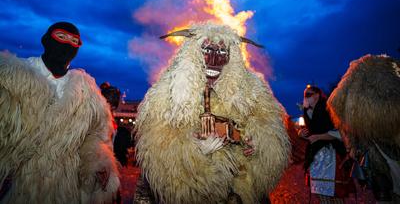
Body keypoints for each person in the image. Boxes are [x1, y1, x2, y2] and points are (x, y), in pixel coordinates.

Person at [134, 22, 290, 204]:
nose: (214, 60)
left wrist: (255, 146)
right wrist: (194, 152)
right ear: (193, 53)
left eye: (222, 52)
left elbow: (268, 130)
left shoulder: (251, 90)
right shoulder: (168, 90)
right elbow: (158, 146)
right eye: (207, 50)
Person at [0, 22, 120, 203]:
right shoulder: (11, 78)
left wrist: (98, 161)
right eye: (61, 37)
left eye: (74, 41)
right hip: (16, 184)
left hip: (66, 188)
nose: (68, 44)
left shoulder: (86, 91)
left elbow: (97, 133)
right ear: (47, 40)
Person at [328, 54, 400, 203]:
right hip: (378, 157)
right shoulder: (360, 116)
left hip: (387, 152)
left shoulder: (382, 105)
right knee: (384, 188)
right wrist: (352, 147)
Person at [298, 85, 354, 203]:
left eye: (309, 94)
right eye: (305, 95)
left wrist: (318, 137)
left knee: (335, 191)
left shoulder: (328, 108)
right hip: (315, 156)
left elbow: (339, 132)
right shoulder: (306, 111)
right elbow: (307, 131)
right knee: (319, 191)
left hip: (330, 154)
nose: (305, 97)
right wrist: (301, 133)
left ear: (317, 95)